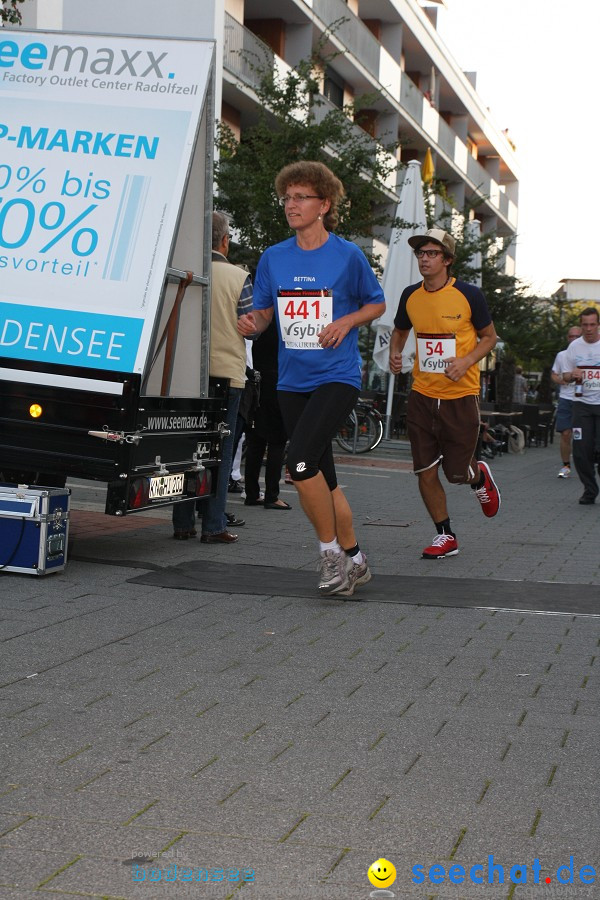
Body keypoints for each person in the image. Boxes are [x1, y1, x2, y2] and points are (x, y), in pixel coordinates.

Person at [238, 160, 385, 597]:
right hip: (291, 381)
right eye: (287, 197)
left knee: (298, 463)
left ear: (324, 204)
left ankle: (331, 557)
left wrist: (346, 322)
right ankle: (356, 558)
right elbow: (265, 310)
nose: (291, 204)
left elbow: (375, 303)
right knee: (324, 478)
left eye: (301, 197)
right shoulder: (274, 257)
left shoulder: (347, 255)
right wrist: (254, 323)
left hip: (336, 375)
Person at [389, 227, 500, 560]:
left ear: (447, 260)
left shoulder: (469, 295)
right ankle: (445, 535)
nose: (424, 259)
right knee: (424, 469)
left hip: (460, 396)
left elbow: (490, 338)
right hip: (422, 394)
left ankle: (478, 476)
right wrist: (396, 353)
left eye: (432, 253)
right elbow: (400, 330)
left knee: (456, 474)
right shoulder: (410, 294)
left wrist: (465, 360)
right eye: (420, 253)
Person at [172, 211, 252, 542]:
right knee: (220, 450)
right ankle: (214, 525)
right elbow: (251, 326)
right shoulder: (239, 276)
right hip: (227, 375)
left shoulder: (184, 272)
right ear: (224, 240)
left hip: (186, 374)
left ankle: (182, 524)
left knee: (185, 450)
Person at [243, 320, 291, 510]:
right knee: (277, 441)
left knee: (255, 440)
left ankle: (252, 493)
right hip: (279, 381)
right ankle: (272, 495)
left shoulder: (257, 320)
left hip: (256, 381)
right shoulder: (282, 322)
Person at [561, 307, 600, 504]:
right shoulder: (574, 347)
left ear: (598, 325)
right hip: (581, 404)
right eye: (585, 325)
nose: (589, 329)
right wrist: (572, 375)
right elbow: (564, 376)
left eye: (592, 324)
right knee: (581, 451)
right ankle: (590, 490)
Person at [551, 325, 582, 478]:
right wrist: (561, 380)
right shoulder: (562, 355)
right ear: (567, 338)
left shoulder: (589, 353)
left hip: (583, 401)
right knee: (565, 434)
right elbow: (554, 374)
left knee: (581, 436)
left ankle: (586, 464)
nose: (574, 339)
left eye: (577, 336)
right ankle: (566, 466)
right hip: (566, 398)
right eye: (571, 336)